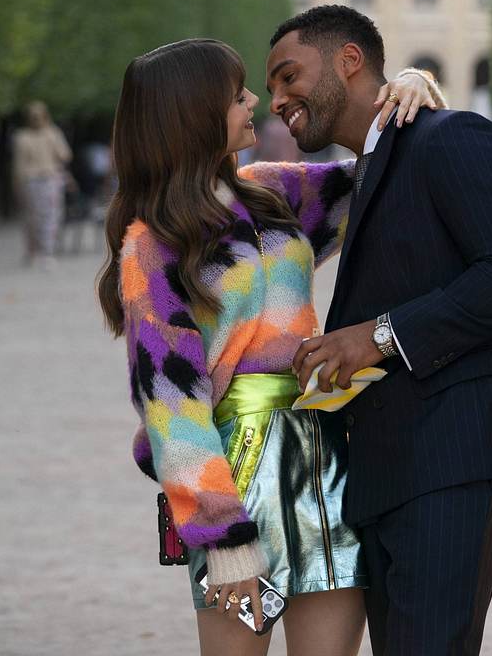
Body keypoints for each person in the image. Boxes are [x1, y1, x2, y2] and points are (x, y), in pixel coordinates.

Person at [97, 38, 441, 656]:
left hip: (323, 458)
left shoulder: (269, 193)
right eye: (236, 95)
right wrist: (222, 535)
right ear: (192, 113)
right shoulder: (152, 247)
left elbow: (384, 176)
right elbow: (172, 405)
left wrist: (413, 86)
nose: (255, 100)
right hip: (233, 471)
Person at [267, 5, 492, 655]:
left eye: (288, 76)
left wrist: (373, 336)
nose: (277, 99)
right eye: (267, 90)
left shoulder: (451, 137)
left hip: (456, 450)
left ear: (349, 61)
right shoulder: (360, 172)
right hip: (390, 465)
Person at [13, 101, 73, 267]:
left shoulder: (46, 134)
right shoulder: (33, 135)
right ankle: (40, 252)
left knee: (42, 217)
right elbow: (65, 155)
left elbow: (65, 155)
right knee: (42, 217)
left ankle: (40, 252)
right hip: (39, 180)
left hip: (42, 180)